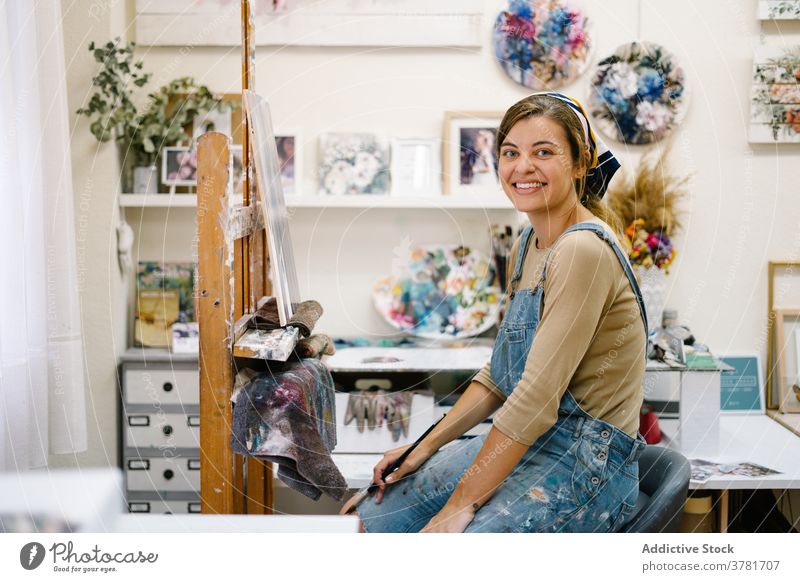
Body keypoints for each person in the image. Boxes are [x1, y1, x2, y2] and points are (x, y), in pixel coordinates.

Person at [340, 92, 649, 533]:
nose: (522, 167)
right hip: (531, 440)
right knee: (364, 523)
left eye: (543, 152)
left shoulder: (583, 250)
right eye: (510, 153)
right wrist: (423, 447)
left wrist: (459, 505)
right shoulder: (528, 243)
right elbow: (501, 376)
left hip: (585, 462)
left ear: (581, 163)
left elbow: (535, 401)